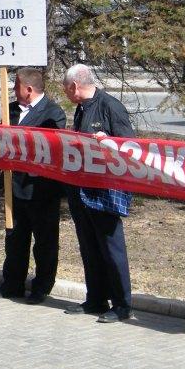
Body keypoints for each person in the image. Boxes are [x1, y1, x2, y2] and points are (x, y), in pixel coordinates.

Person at [0, 68, 66, 304]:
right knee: (15, 239)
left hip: (41, 190)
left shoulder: (53, 112)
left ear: (28, 89)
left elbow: (47, 146)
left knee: (45, 242)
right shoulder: (10, 111)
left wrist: (14, 137)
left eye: (16, 85)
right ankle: (12, 284)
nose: (13, 90)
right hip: (13, 186)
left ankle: (41, 287)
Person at [62, 64, 136, 323]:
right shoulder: (81, 108)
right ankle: (95, 298)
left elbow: (130, 147)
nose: (65, 93)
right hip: (81, 189)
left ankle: (122, 305)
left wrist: (109, 142)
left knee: (111, 248)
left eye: (66, 88)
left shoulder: (110, 107)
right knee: (89, 247)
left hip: (105, 191)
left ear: (75, 86)